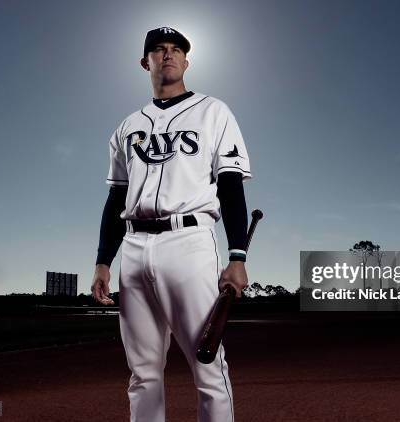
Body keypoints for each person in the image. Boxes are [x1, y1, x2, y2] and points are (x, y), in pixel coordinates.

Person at [90, 26, 251, 422]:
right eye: (159, 50)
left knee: (208, 366)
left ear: (186, 61)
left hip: (189, 241)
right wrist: (102, 260)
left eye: (176, 49)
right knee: (142, 374)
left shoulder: (213, 111)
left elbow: (230, 184)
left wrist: (237, 255)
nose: (168, 55)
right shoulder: (127, 127)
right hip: (134, 247)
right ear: (145, 62)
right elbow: (116, 199)